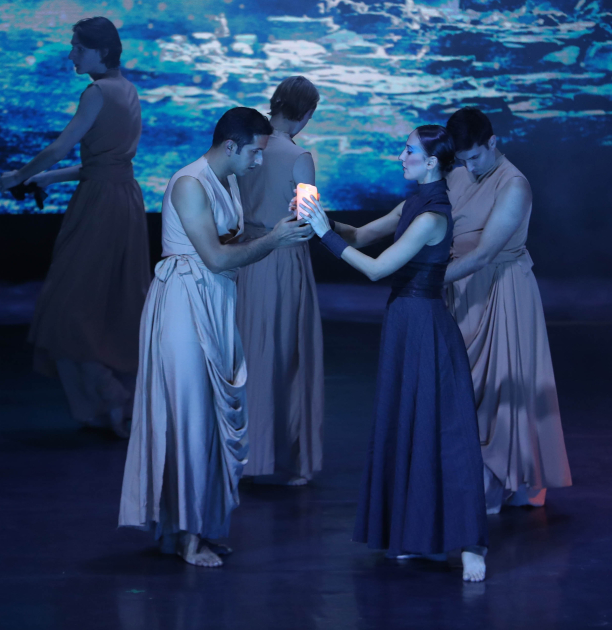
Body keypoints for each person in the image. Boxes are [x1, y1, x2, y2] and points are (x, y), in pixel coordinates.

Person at [119, 108, 311, 568]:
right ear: (230, 146)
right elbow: (217, 257)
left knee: (204, 418)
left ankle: (187, 530)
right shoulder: (190, 183)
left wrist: (279, 228)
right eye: (254, 153)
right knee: (189, 418)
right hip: (184, 304)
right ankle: (187, 537)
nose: (258, 161)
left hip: (215, 300)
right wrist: (274, 241)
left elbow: (228, 245)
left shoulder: (227, 181)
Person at [300, 125, 488, 582]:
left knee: (441, 430)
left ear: (431, 162)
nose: (400, 157)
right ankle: (420, 537)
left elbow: (377, 269)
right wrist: (318, 217)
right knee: (409, 426)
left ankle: (470, 542)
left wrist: (324, 235)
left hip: (424, 325)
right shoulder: (413, 204)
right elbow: (361, 235)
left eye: (408, 151)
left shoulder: (432, 217)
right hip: (404, 322)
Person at [0, 17, 150, 438]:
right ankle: (112, 403)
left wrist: (18, 176)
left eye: (78, 48)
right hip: (124, 200)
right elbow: (104, 163)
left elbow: (60, 147)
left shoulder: (96, 92)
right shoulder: (127, 89)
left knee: (69, 307)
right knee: (109, 303)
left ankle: (110, 396)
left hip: (100, 206)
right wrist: (46, 179)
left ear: (103, 51)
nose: (71, 55)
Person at [443, 107, 571, 514]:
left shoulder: (514, 184)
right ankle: (474, 478)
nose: (469, 167)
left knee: (504, 386)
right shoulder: (458, 174)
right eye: (462, 159)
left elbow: (484, 254)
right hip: (462, 291)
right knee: (467, 389)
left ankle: (505, 481)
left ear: (493, 143)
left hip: (502, 289)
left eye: (475, 157)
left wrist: (428, 279)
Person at [236, 76, 323, 486]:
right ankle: (288, 459)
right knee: (287, 357)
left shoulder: (246, 145)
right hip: (283, 260)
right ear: (306, 113)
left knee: (244, 355)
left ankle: (241, 455)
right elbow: (308, 220)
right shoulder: (298, 157)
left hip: (243, 257)